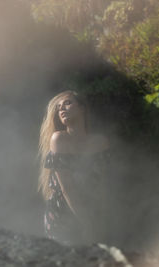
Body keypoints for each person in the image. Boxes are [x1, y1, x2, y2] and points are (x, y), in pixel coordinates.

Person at [38, 90, 110, 245]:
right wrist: (87, 223)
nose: (62, 109)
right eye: (58, 107)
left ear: (82, 108)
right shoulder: (59, 138)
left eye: (68, 103)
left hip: (93, 210)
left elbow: (103, 185)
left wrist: (102, 219)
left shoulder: (100, 142)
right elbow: (67, 188)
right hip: (63, 213)